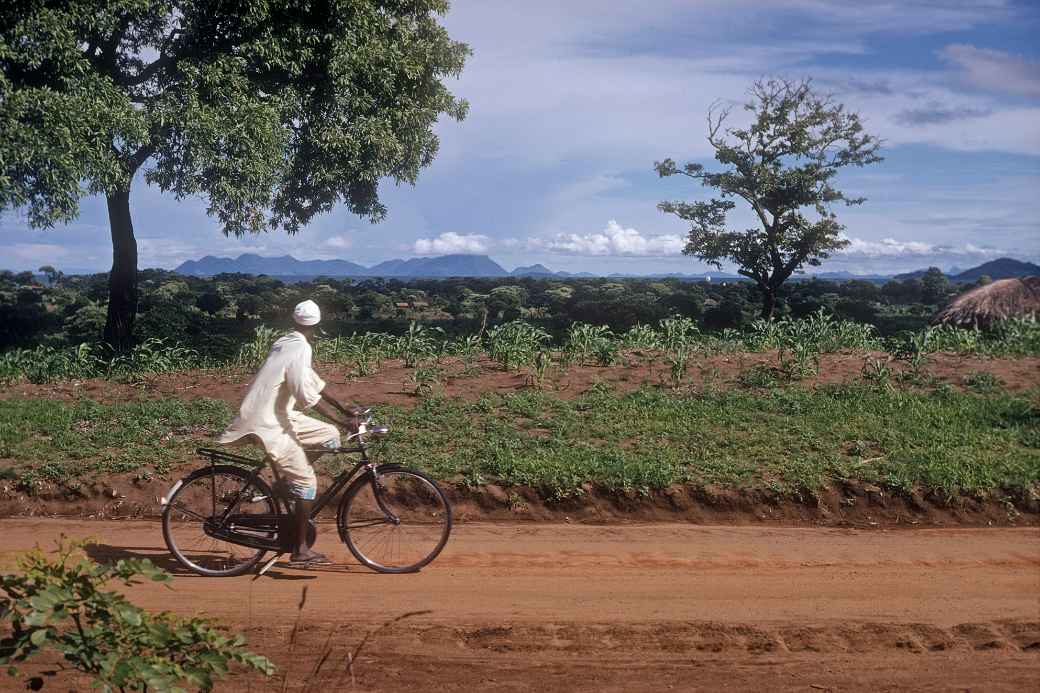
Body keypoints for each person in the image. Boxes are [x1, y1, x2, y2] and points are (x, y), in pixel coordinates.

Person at [218, 299, 360, 566]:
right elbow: (304, 392)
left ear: (294, 321)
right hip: (268, 420)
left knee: (329, 435)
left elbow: (311, 381)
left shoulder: (287, 342)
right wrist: (344, 421)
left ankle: (285, 482)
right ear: (317, 325)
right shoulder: (299, 348)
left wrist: (345, 409)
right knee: (308, 484)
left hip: (277, 413)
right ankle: (300, 550)